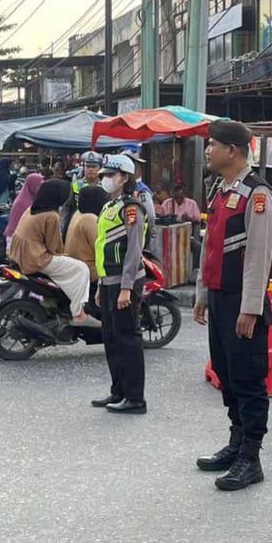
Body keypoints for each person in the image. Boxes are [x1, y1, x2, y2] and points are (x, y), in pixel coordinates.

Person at [193, 121, 272, 489]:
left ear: (232, 150)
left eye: (213, 145)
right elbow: (210, 245)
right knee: (227, 376)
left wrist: (250, 308)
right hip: (219, 296)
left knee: (248, 380)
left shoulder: (257, 195)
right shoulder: (220, 189)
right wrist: (201, 292)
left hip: (243, 301)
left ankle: (251, 457)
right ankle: (236, 442)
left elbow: (259, 256)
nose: (208, 150)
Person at [91, 154, 149, 414]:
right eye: (104, 175)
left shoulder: (132, 208)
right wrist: (100, 286)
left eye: (110, 175)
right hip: (108, 281)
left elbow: (134, 250)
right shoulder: (109, 206)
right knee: (112, 339)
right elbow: (103, 246)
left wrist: (126, 287)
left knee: (127, 339)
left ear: (124, 178)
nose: (105, 179)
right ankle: (118, 391)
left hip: (126, 282)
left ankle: (135, 398)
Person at [8, 178, 99, 327]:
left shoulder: (31, 209)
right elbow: (54, 247)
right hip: (36, 258)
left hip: (19, 254)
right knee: (81, 268)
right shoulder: (51, 216)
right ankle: (79, 313)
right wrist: (64, 255)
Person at [64, 183, 107, 296]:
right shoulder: (90, 219)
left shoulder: (77, 213)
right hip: (89, 270)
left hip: (74, 265)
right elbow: (102, 247)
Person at [60, 150, 104, 232]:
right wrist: (62, 223)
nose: (90, 169)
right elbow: (67, 207)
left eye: (94, 167)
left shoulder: (105, 186)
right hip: (78, 223)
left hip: (99, 224)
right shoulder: (75, 184)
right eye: (87, 166)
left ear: (100, 168)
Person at [4, 173, 44, 253]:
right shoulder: (23, 203)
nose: (41, 189)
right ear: (32, 185)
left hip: (25, 239)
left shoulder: (33, 199)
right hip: (15, 239)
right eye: (39, 186)